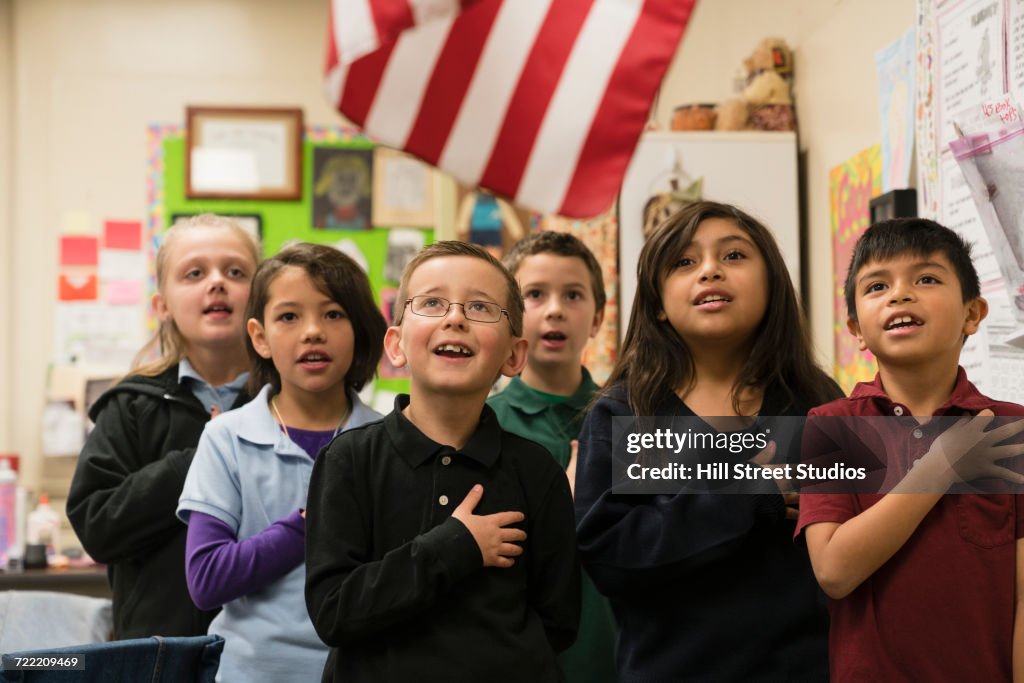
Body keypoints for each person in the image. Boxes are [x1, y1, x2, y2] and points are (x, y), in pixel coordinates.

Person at [575, 201, 841, 681]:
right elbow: (611, 561)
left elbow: (853, 547)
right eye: (684, 261)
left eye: (734, 256)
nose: (711, 270)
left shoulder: (817, 403)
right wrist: (747, 493)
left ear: (772, 285)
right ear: (657, 301)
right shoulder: (625, 413)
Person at [304, 241, 580, 683]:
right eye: (432, 302)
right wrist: (454, 547)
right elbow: (333, 612)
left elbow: (559, 620)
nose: (455, 318)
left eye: (480, 307)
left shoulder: (536, 470)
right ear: (395, 345)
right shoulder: (348, 459)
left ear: (513, 355)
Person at [797, 218, 1024, 681]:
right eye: (877, 285)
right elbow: (835, 571)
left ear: (972, 314)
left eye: (926, 278)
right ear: (857, 330)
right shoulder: (833, 427)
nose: (900, 294)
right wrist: (942, 466)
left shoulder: (1012, 429)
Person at [177, 242, 386, 681]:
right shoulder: (226, 438)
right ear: (259, 336)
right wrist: (311, 521)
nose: (313, 332)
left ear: (361, 331)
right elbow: (207, 579)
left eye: (333, 314)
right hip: (250, 671)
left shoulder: (387, 441)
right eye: (289, 316)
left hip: (362, 669)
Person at [66, 214, 260, 639]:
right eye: (194, 272)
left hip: (266, 655)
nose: (217, 283)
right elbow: (98, 527)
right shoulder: (131, 405)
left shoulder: (289, 403)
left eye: (236, 271)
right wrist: (202, 458)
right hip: (158, 653)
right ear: (162, 307)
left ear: (262, 297)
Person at [488, 231, 616, 683]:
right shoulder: (485, 423)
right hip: (522, 657)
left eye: (573, 295)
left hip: (616, 652)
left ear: (598, 318)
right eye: (535, 295)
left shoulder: (628, 418)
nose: (555, 309)